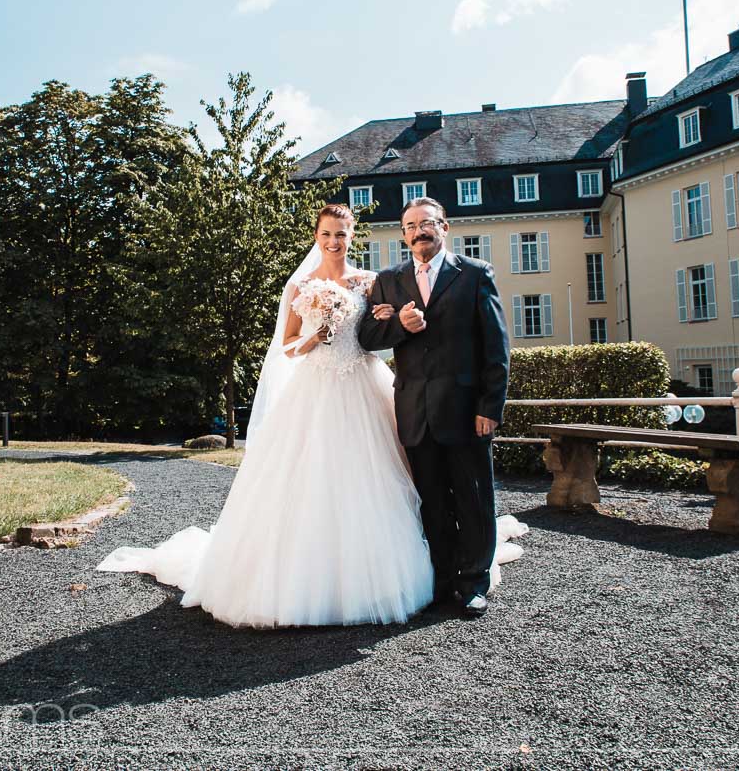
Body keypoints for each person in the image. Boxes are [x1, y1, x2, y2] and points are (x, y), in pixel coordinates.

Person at [99, 204, 524, 628]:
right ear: (317, 237)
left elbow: (405, 340)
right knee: (409, 494)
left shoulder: (381, 280)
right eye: (326, 235)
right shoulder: (330, 283)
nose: (334, 242)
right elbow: (313, 342)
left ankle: (465, 583)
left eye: (341, 234)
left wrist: (486, 404)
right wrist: (327, 335)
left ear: (353, 236)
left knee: (435, 491)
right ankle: (435, 579)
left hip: (374, 390)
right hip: (325, 391)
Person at [358, 197, 512, 618]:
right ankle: (443, 583)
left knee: (473, 499)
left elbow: (496, 348)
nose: (418, 231)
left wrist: (490, 406)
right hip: (414, 411)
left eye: (427, 223)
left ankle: (475, 582)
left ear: (444, 227)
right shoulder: (388, 280)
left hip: (466, 411)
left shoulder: (475, 274)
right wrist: (398, 326)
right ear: (403, 234)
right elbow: (368, 338)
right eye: (410, 225)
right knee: (432, 502)